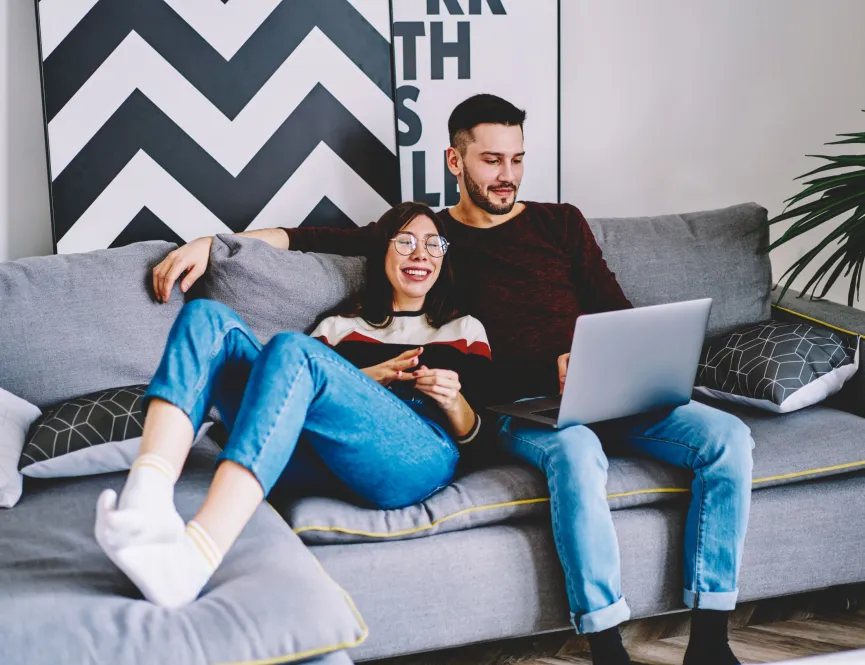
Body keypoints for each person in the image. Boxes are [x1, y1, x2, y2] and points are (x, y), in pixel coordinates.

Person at [152, 94, 754, 665]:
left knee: (729, 439)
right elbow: (308, 240)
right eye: (491, 160)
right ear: (455, 160)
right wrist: (217, 244)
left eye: (517, 159)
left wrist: (612, 358)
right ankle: (605, 642)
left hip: (606, 386)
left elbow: (615, 310)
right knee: (577, 449)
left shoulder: (561, 223)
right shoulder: (435, 239)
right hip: (523, 408)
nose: (507, 175)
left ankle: (709, 638)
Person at [95, 202, 492, 609]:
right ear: (382, 251)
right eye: (405, 241)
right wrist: (366, 378)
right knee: (205, 316)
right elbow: (292, 389)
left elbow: (479, 439)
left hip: (415, 454)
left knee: (290, 347)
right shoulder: (340, 326)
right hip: (312, 451)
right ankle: (147, 502)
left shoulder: (464, 329)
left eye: (433, 244)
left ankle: (196, 556)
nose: (421, 253)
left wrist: (452, 398)